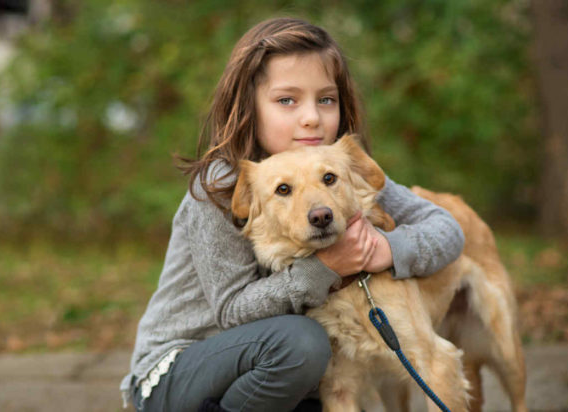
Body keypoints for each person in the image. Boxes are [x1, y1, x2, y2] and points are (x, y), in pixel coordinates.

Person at [120, 17, 464, 412]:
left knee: (320, 363)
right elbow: (233, 313)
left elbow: (447, 230)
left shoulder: (336, 166)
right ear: (249, 105)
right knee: (302, 341)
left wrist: (385, 249)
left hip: (277, 373)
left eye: (326, 99)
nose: (311, 118)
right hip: (181, 371)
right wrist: (328, 267)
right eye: (287, 100)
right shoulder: (219, 185)